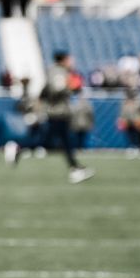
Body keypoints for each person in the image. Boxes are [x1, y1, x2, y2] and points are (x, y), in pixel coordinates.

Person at [40, 51, 94, 183]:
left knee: (63, 141)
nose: (72, 62)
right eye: (70, 59)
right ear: (64, 60)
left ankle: (75, 167)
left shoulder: (58, 71)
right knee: (55, 141)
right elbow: (56, 89)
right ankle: (17, 147)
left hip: (58, 111)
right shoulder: (58, 71)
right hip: (58, 112)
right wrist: (72, 86)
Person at [119, 87, 140, 158]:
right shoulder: (125, 100)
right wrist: (122, 118)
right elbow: (123, 110)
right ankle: (132, 147)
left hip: (138, 119)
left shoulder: (139, 100)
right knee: (130, 134)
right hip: (128, 120)